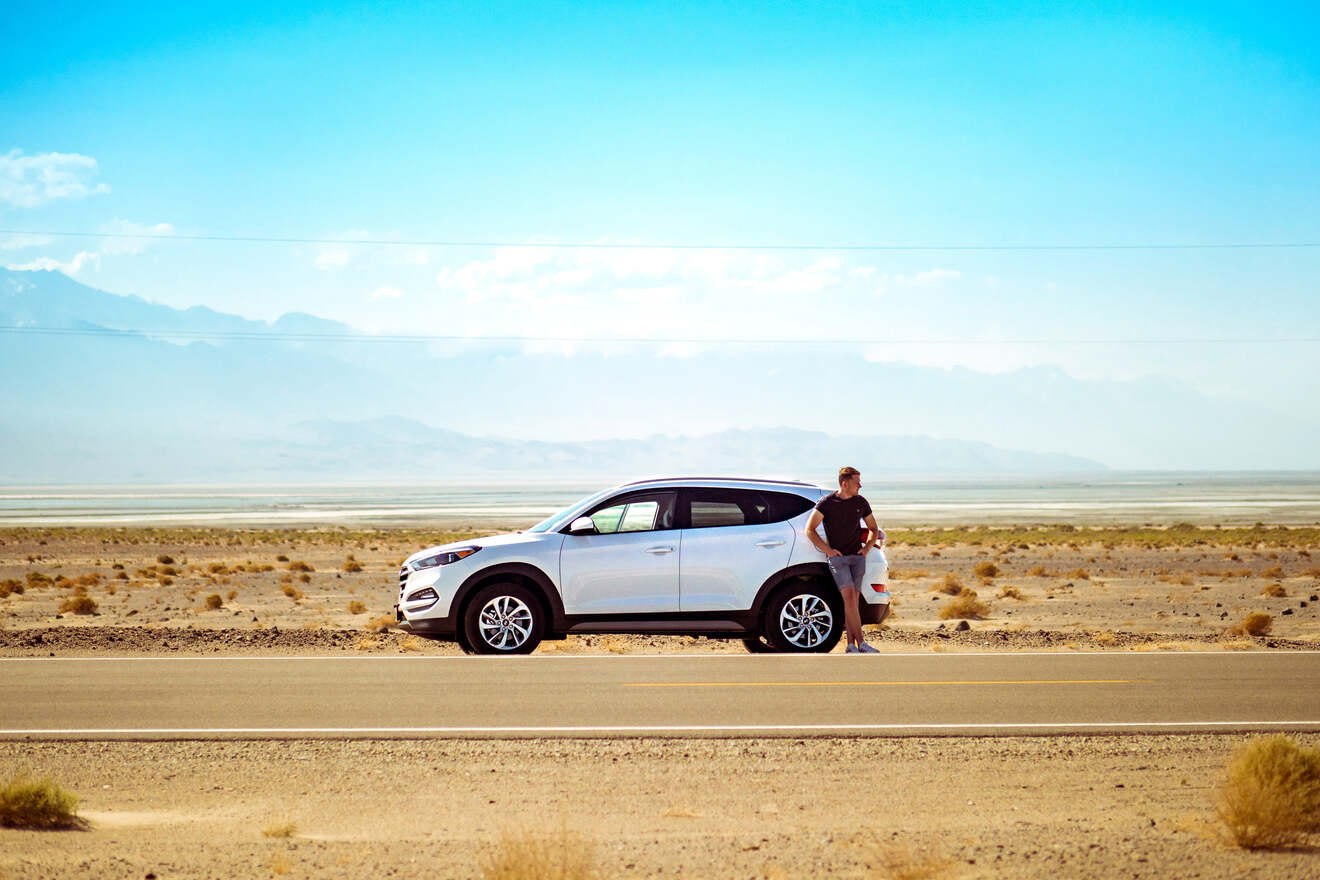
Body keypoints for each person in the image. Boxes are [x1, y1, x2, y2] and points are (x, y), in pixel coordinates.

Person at [804, 466, 884, 653]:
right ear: (844, 483)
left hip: (857, 559)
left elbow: (873, 528)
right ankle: (862, 643)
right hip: (838, 560)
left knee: (853, 602)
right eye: (857, 483)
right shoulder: (826, 503)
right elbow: (810, 529)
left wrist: (866, 549)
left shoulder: (861, 502)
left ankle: (850, 645)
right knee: (848, 598)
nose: (860, 486)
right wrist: (828, 550)